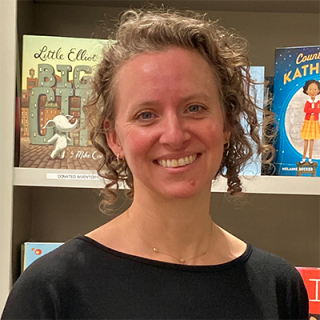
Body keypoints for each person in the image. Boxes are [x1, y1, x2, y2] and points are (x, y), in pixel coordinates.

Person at [2, 7, 308, 320]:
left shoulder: (278, 287)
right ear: (114, 137)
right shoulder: (51, 291)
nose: (174, 135)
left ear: (227, 124)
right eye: (146, 115)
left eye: (195, 107)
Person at [300, 79, 320, 164]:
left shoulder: (318, 102)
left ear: (318, 91)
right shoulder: (308, 102)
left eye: (315, 89)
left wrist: (312, 110)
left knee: (312, 141)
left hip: (314, 122)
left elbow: (318, 110)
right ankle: (304, 158)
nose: (312, 92)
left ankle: (310, 159)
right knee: (306, 140)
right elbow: (306, 110)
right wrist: (313, 110)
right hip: (307, 121)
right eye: (310, 89)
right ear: (307, 90)